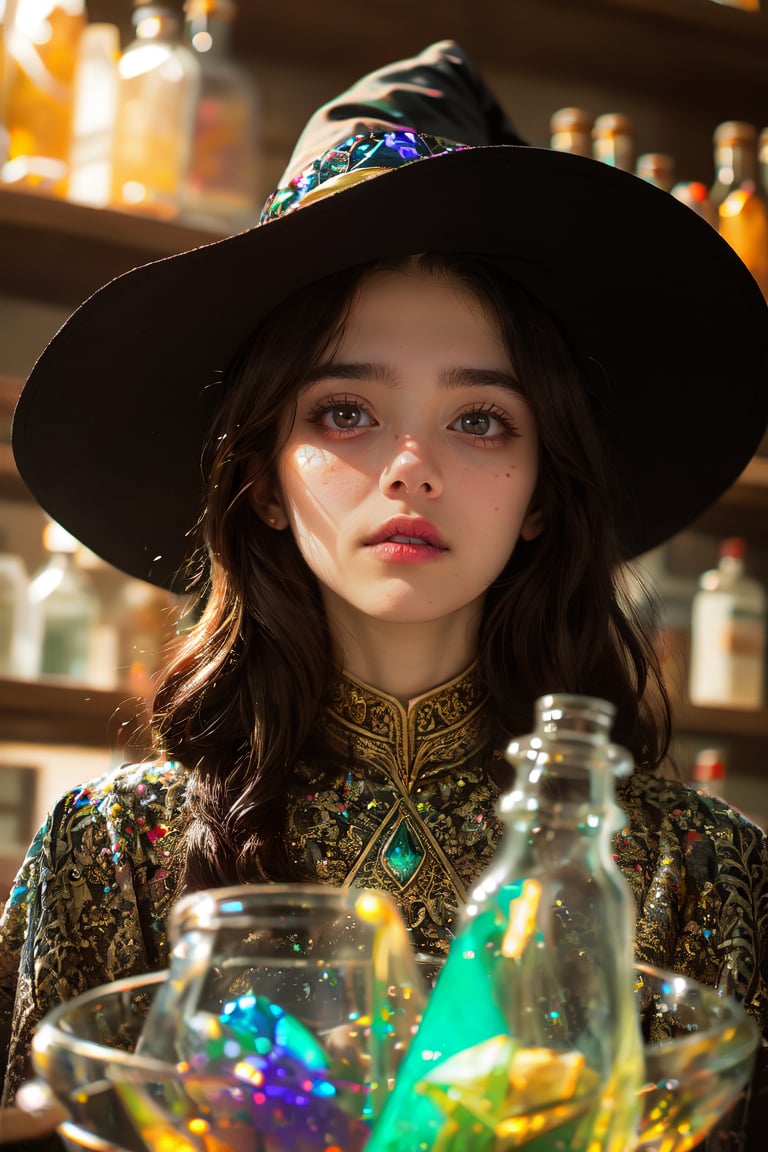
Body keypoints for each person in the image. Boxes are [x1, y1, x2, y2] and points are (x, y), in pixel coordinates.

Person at [1, 39, 767, 1152]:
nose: (413, 464)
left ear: (545, 492)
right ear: (261, 478)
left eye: (480, 420)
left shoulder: (700, 872)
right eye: (344, 413)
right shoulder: (111, 848)